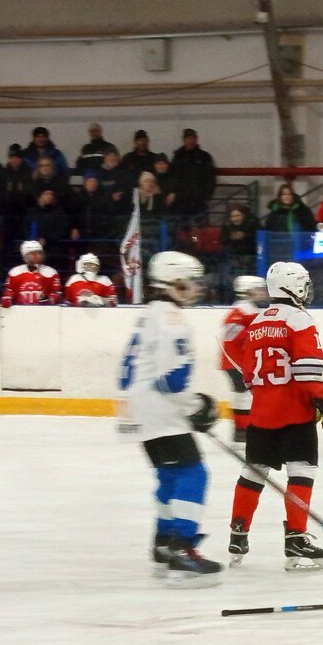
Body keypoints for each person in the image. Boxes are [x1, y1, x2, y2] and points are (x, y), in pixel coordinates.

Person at [116, 251, 222, 586]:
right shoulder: (173, 319)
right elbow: (172, 380)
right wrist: (196, 406)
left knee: (170, 475)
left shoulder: (151, 314)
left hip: (137, 409)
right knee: (194, 475)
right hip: (159, 409)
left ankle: (163, 544)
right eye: (190, 282)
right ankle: (181, 548)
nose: (195, 288)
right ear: (173, 284)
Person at [224, 261, 323, 571]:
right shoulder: (300, 320)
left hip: (260, 413)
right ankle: (296, 541)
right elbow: (306, 371)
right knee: (302, 471)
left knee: (253, 472)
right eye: (304, 283)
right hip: (294, 412)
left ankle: (238, 534)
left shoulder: (258, 322)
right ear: (293, 286)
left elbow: (244, 366)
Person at [220, 275, 268, 442]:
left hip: (241, 362)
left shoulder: (250, 309)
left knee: (245, 396)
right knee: (245, 396)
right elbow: (233, 332)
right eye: (258, 290)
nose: (262, 293)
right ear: (247, 292)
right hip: (235, 362)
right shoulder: (241, 309)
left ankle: (242, 431)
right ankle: (243, 431)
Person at [170, 128, 217, 219]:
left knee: (201, 228)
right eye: (188, 138)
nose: (190, 141)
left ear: (196, 139)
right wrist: (174, 192)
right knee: (183, 227)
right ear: (183, 139)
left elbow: (210, 178)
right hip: (181, 199)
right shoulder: (178, 157)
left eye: (192, 138)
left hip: (199, 199)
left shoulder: (204, 157)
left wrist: (207, 196)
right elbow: (173, 176)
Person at [22, 189, 71, 271]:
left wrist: (47, 239)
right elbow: (26, 229)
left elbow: (63, 229)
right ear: (39, 197)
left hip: (53, 251)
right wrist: (35, 241)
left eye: (51, 194)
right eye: (46, 194)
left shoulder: (59, 212)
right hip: (34, 251)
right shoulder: (32, 212)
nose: (50, 196)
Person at [1, 241, 61, 307]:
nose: (36, 256)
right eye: (32, 254)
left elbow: (57, 293)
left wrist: (50, 299)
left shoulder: (51, 273)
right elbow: (9, 292)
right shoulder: (15, 272)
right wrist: (7, 299)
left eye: (39, 253)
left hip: (43, 312)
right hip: (21, 312)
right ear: (24, 257)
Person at [220, 204, 259, 275]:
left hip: (251, 255)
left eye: (238, 215)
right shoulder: (227, 225)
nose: (235, 219)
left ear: (244, 215)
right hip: (233, 255)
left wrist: (245, 236)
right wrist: (231, 238)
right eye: (232, 216)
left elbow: (258, 239)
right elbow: (223, 240)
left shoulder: (253, 223)